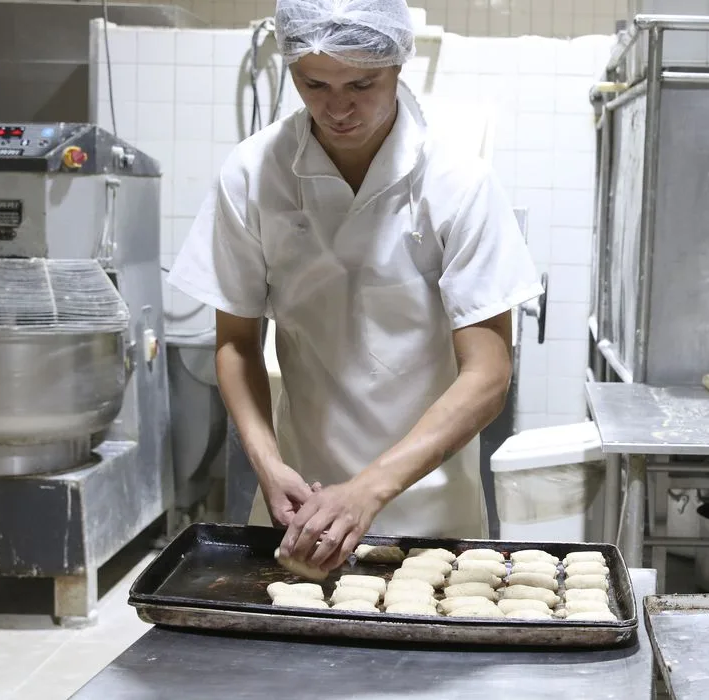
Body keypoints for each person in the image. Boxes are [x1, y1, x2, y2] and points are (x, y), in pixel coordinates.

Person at [167, 0, 543, 572]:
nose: (337, 107)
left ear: (397, 67)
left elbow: (488, 375)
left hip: (432, 516)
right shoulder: (254, 173)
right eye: (314, 83)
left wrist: (370, 489)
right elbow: (236, 342)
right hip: (300, 511)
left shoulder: (457, 184)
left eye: (361, 84)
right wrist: (267, 465)